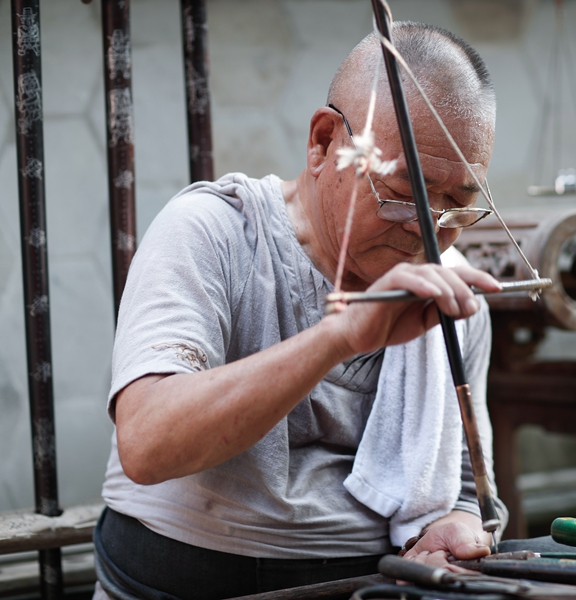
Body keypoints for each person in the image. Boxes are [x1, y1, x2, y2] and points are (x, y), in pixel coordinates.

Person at [93, 21, 507, 600]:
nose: (428, 231)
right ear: (323, 142)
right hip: (185, 581)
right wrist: (337, 338)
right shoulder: (215, 233)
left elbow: (465, 488)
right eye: (403, 191)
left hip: (374, 583)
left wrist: (456, 527)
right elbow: (146, 442)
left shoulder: (448, 294)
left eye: (458, 205)